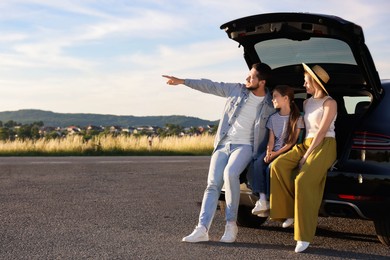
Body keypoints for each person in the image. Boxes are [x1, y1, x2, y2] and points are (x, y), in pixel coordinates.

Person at [162, 63, 275, 243]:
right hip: (224, 143)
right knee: (213, 184)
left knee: (230, 174)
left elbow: (285, 117)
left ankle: (231, 225)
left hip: (245, 146)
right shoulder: (236, 90)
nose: (247, 79)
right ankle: (202, 229)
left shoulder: (270, 103)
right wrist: (183, 82)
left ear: (261, 82)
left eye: (251, 77)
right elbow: (211, 85)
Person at [269, 63, 337, 253]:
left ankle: (303, 236)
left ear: (315, 82)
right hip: (307, 142)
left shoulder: (330, 103)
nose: (304, 84)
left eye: (306, 81)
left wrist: (305, 157)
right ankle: (288, 213)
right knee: (278, 166)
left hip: (325, 145)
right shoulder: (307, 102)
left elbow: (322, 132)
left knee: (303, 180)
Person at [251, 85, 304, 217]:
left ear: (285, 98)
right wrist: (269, 152)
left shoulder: (297, 118)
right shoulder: (273, 118)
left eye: (275, 97)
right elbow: (271, 140)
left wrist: (276, 154)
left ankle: (271, 200)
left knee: (270, 168)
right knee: (257, 163)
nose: (272, 100)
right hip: (273, 150)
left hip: (287, 152)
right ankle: (262, 200)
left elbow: (291, 142)